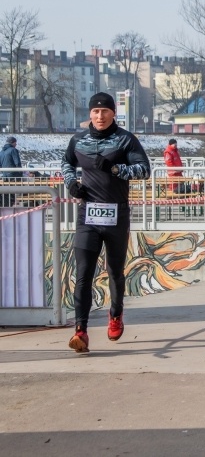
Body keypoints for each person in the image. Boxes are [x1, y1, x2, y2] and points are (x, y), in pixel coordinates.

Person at [61, 92, 151, 353]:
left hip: (116, 215)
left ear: (113, 113)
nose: (100, 116)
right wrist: (71, 184)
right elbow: (67, 163)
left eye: (105, 111)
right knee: (83, 274)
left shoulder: (125, 140)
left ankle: (115, 314)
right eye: (95, 111)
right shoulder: (78, 140)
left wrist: (115, 169)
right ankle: (81, 330)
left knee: (114, 271)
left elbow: (144, 169)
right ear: (89, 114)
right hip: (87, 215)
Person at [0, 136, 22, 207]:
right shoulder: (13, 150)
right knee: (15, 192)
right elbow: (17, 163)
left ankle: (7, 207)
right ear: (12, 143)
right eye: (15, 143)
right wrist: (20, 173)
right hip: (13, 176)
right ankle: (16, 205)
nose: (16, 144)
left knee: (7, 194)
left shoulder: (2, 152)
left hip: (5, 176)